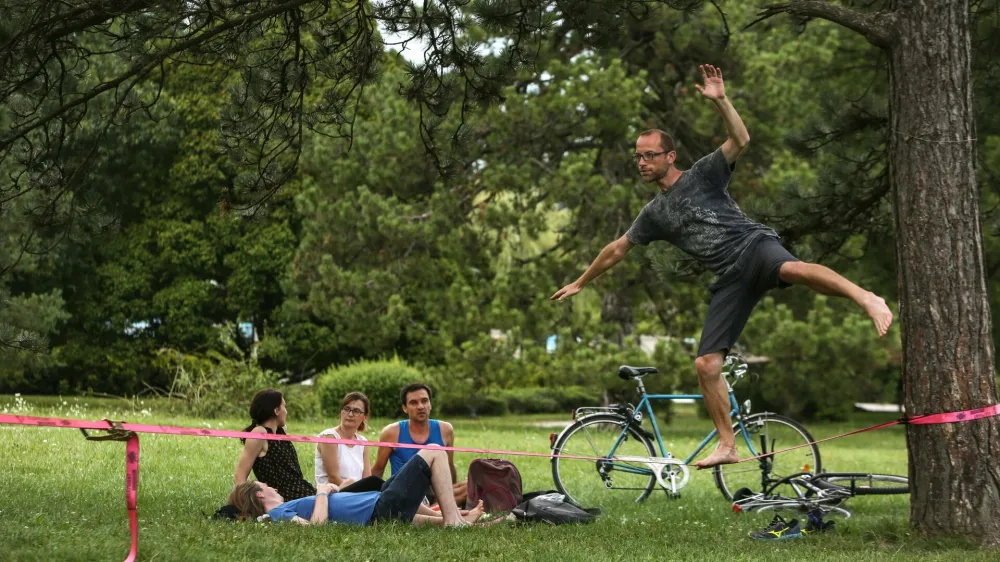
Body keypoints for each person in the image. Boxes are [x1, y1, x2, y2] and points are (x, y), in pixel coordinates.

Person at [551, 64, 894, 469]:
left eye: (649, 155)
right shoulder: (654, 214)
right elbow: (617, 249)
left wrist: (721, 101)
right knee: (706, 364)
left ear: (670, 156)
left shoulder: (703, 174)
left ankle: (866, 298)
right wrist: (581, 281)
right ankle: (728, 446)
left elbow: (741, 139)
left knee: (794, 270)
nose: (641, 162)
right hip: (730, 278)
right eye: (637, 157)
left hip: (754, 247)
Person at [229, 448, 485, 527]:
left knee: (411, 511)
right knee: (434, 453)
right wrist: (321, 492)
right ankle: (453, 520)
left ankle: (452, 517)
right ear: (260, 493)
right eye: (265, 484)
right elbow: (315, 526)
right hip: (379, 510)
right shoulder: (277, 513)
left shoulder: (282, 509)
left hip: (379, 506)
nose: (271, 485)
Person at [372, 383, 468, 505]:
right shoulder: (391, 432)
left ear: (430, 404)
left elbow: (449, 466)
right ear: (405, 408)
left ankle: (438, 507)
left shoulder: (446, 430)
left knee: (472, 485)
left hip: (435, 492)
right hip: (406, 492)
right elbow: (378, 469)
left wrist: (453, 490)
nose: (421, 406)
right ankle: (440, 509)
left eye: (424, 401)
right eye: (414, 403)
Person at [234, 389, 315, 500]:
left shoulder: (282, 431)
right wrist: (246, 506)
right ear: (276, 410)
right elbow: (240, 477)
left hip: (302, 491)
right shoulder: (259, 433)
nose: (286, 411)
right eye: (284, 407)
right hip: (283, 498)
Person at [315, 391, 373, 488]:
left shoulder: (363, 442)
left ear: (364, 417)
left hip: (357, 495)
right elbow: (333, 478)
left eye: (356, 411)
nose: (350, 414)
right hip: (333, 494)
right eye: (347, 409)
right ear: (341, 411)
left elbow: (367, 478)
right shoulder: (329, 437)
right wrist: (356, 494)